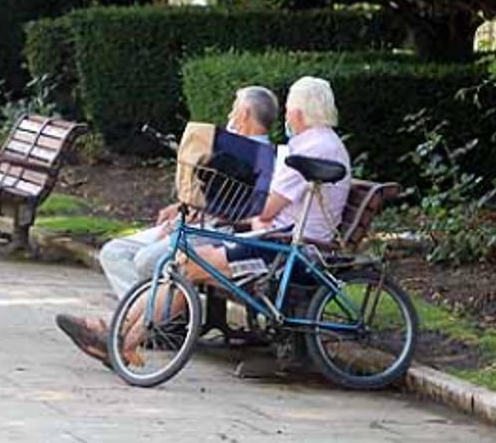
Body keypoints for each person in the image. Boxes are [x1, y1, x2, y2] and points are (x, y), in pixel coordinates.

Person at [111, 76, 350, 366]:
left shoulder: (310, 147)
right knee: (188, 266)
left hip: (287, 249)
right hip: (278, 241)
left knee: (188, 267)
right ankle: (122, 338)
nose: (285, 116)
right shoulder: (320, 142)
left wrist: (257, 220)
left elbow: (266, 210)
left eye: (288, 109)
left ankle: (123, 339)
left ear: (298, 112)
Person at [55, 85, 279, 362]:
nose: (231, 113)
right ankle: (145, 323)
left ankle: (138, 326)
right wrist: (184, 208)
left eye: (235, 107)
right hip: (192, 223)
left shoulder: (261, 157)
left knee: (147, 261)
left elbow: (253, 211)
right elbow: (204, 192)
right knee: (114, 252)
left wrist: (204, 211)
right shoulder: (230, 146)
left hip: (215, 233)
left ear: (245, 113)